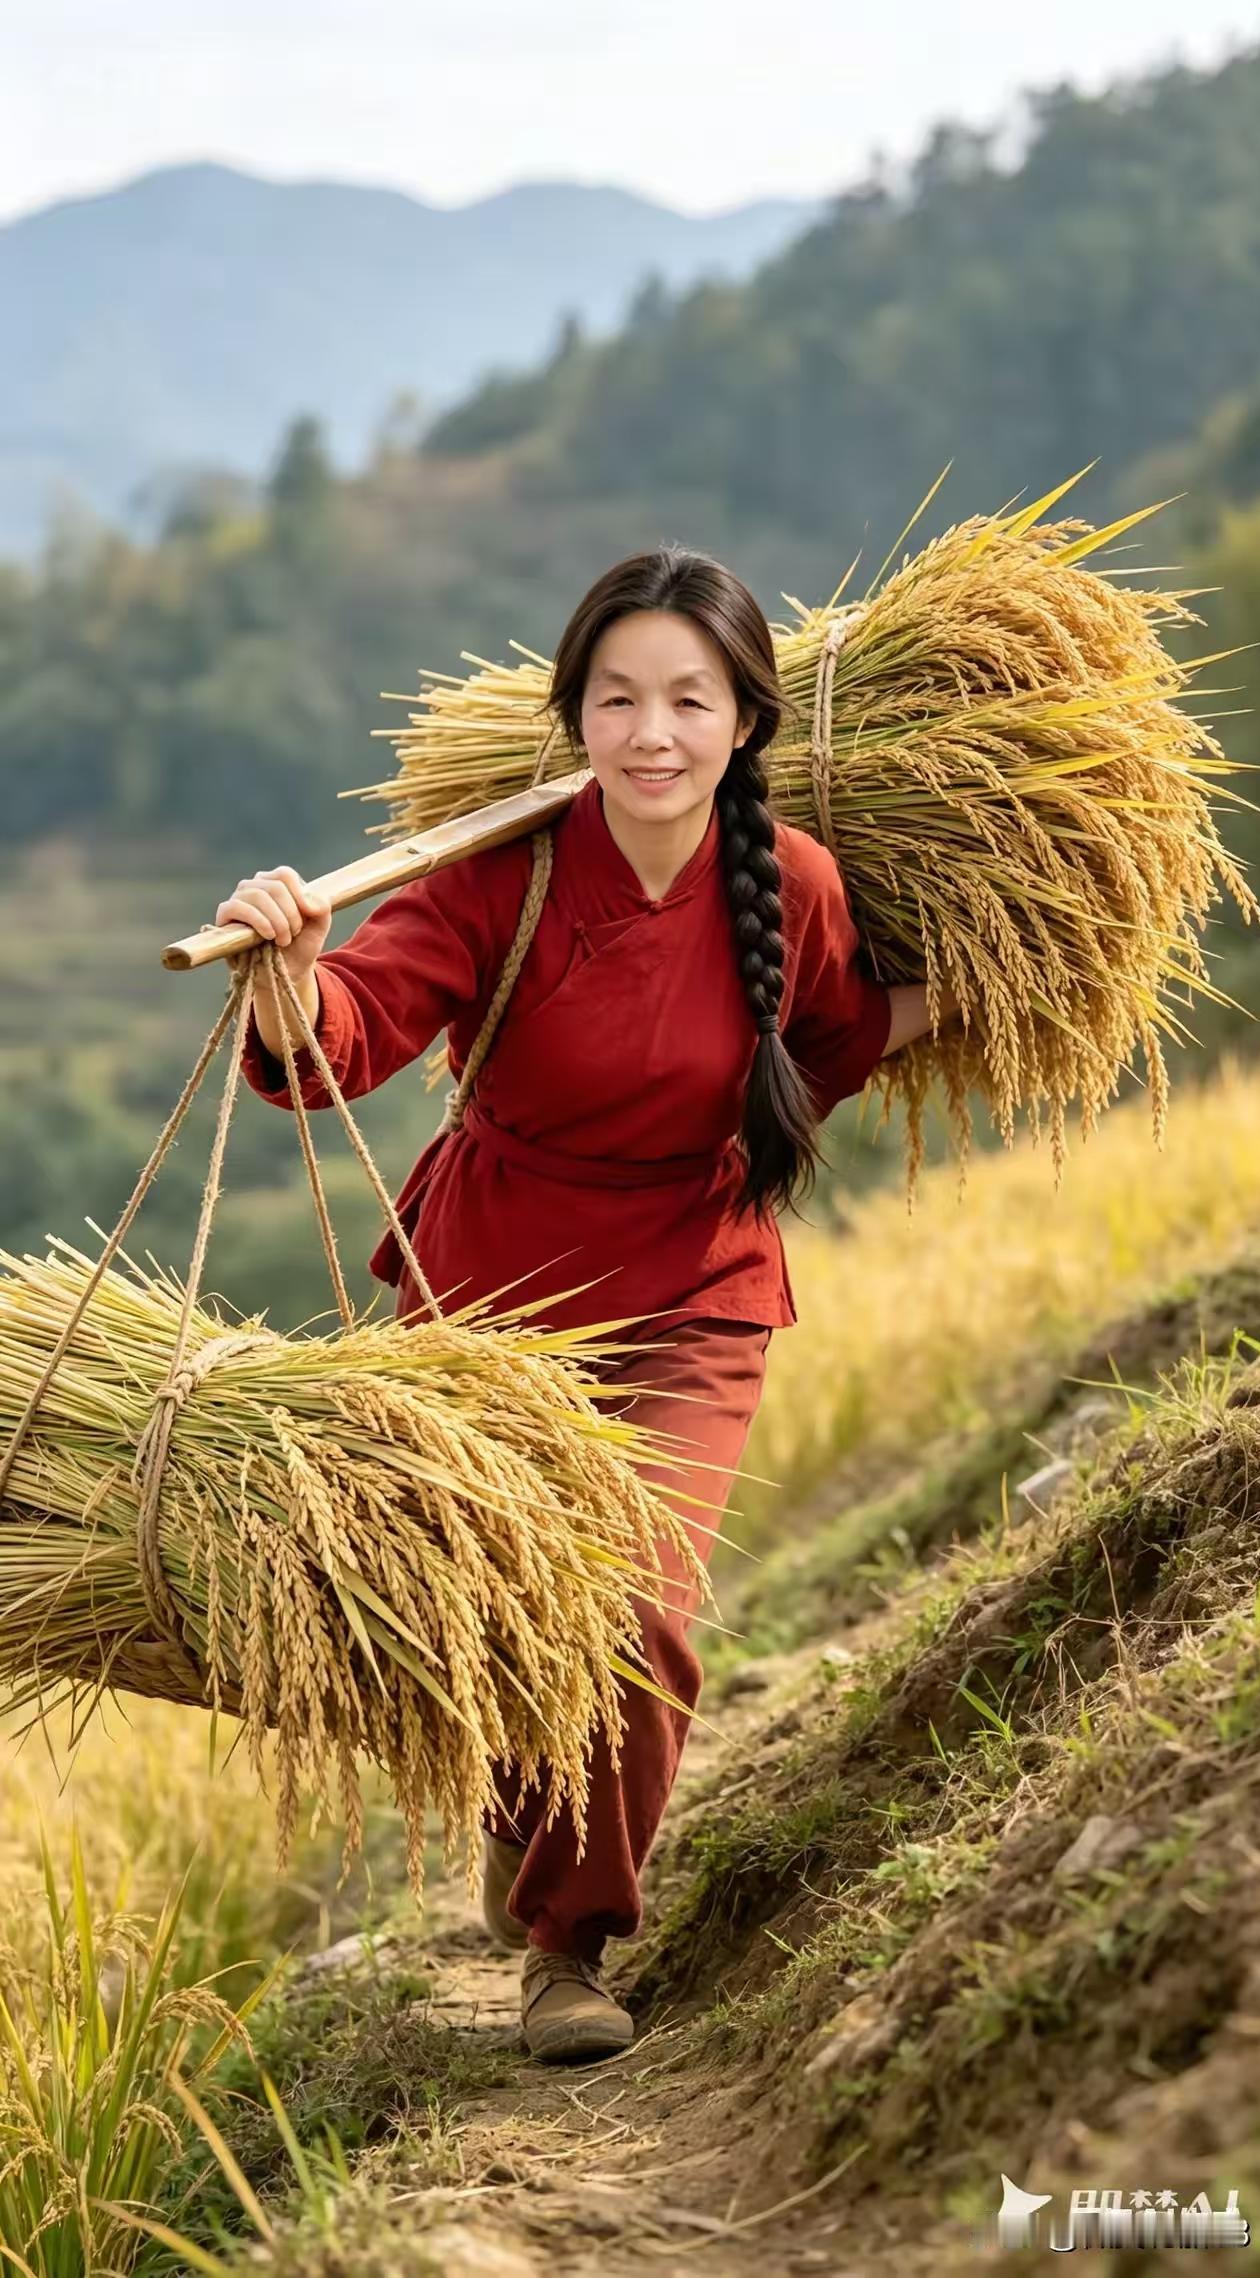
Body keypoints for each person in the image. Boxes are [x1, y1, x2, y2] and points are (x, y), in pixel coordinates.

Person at [222, 545, 959, 2064]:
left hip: (696, 1288)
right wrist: (291, 971)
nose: (652, 733)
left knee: (636, 1610)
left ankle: (570, 1946)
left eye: (689, 700)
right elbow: (348, 1035)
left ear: (744, 722)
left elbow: (831, 1037)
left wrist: (990, 982)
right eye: (616, 698)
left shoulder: (795, 885)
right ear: (573, 716)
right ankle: (530, 1821)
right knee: (503, 1610)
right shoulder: (503, 871)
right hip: (493, 1296)